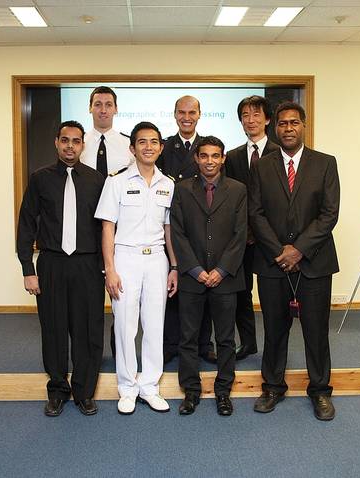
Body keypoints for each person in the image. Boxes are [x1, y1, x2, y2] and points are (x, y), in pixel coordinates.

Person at [249, 102, 340, 421]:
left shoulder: (325, 163)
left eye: (294, 123)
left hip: (315, 262)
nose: (288, 128)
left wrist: (298, 249)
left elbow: (329, 213)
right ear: (275, 127)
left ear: (304, 125)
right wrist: (280, 251)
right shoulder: (262, 166)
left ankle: (320, 391)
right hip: (273, 263)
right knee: (274, 329)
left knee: (316, 331)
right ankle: (272, 387)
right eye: (283, 124)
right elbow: (255, 213)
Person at [17, 120, 105, 417]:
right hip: (51, 263)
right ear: (56, 142)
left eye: (76, 141)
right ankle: (57, 390)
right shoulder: (40, 179)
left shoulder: (97, 180)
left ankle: (84, 392)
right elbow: (27, 224)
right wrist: (28, 268)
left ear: (83, 144)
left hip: (87, 264)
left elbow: (105, 228)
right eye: (65, 140)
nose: (70, 146)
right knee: (53, 329)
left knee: (88, 330)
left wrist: (107, 267)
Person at [95, 121, 178, 415]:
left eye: (154, 142)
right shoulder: (116, 182)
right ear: (132, 148)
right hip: (125, 259)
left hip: (157, 260)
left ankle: (150, 387)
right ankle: (128, 387)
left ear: (161, 147)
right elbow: (108, 228)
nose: (148, 147)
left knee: (155, 326)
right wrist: (110, 269)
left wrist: (174, 266)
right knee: (125, 326)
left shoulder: (168, 184)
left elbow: (169, 229)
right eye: (142, 142)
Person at [170, 136, 247, 416]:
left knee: (225, 338)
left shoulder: (238, 190)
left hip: (226, 278)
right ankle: (190, 391)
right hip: (193, 277)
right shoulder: (182, 189)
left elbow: (241, 234)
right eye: (204, 156)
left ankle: (223, 392)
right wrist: (196, 270)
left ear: (223, 158)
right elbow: (176, 232)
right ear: (196, 159)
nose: (210, 161)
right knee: (188, 337)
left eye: (215, 156)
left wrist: (221, 270)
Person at [156, 95, 216, 365]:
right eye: (182, 112)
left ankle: (204, 343)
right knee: (172, 288)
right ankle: (171, 343)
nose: (187, 116)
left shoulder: (207, 149)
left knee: (203, 289)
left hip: (201, 227)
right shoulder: (164, 148)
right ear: (175, 114)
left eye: (192, 112)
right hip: (170, 226)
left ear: (200, 114)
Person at [81, 85, 134, 358]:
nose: (103, 109)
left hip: (120, 227)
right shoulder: (79, 143)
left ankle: (119, 351)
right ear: (90, 107)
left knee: (120, 291)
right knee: (90, 295)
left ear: (115, 109)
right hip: (85, 227)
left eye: (108, 104)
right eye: (98, 104)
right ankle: (91, 352)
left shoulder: (128, 145)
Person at [225, 95, 278, 361]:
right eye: (245, 115)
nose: (251, 120)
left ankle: (274, 345)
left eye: (256, 114)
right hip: (243, 239)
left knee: (272, 296)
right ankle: (247, 343)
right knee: (242, 293)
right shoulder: (233, 157)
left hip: (273, 239)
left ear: (267, 119)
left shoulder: (281, 152)